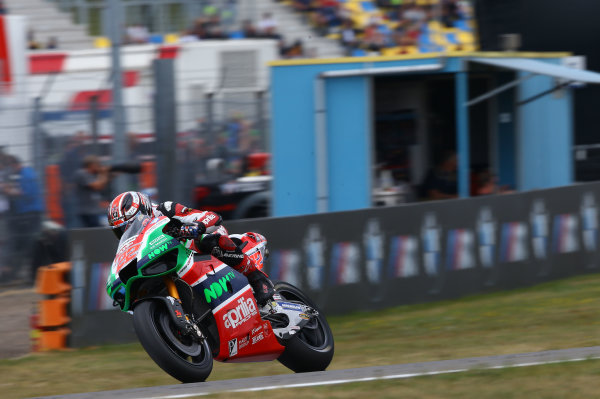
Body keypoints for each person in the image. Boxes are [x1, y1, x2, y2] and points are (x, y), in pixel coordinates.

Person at [107, 191, 275, 306]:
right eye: (121, 230)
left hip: (199, 241)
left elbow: (212, 216)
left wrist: (197, 227)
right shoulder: (135, 242)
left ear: (144, 209)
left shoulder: (165, 209)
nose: (127, 231)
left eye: (129, 224)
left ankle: (258, 279)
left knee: (208, 240)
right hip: (173, 260)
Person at [75, 155, 111, 227]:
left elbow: (101, 185)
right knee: (92, 233)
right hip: (87, 211)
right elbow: (97, 186)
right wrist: (103, 173)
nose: (99, 167)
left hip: (94, 211)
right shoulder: (82, 173)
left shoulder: (92, 175)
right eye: (97, 164)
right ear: (91, 165)